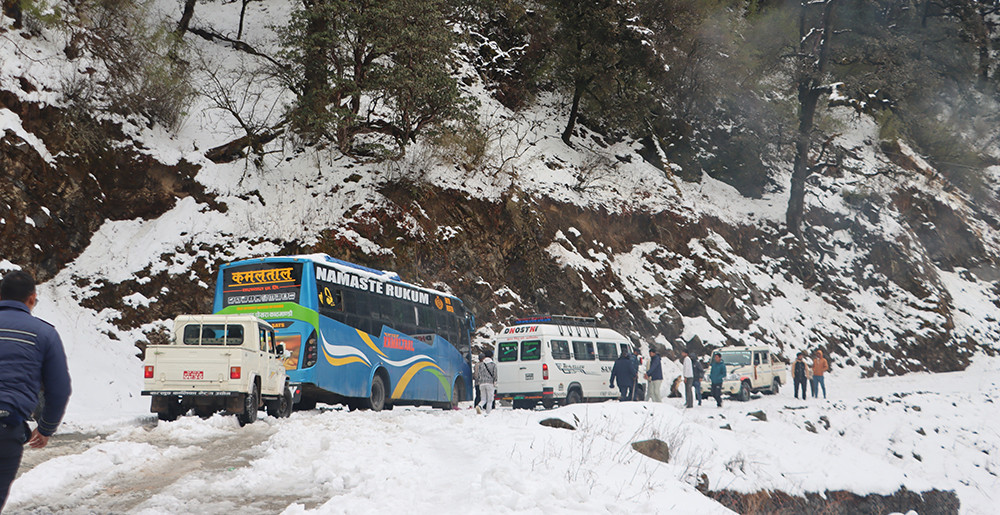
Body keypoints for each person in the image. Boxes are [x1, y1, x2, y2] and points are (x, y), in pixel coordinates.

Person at [0, 271, 72, 509]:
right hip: (6, 428)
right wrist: (46, 428)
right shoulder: (44, 333)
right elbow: (59, 389)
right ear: (32, 298)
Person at [474, 350, 497, 414]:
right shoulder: (493, 365)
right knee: (490, 400)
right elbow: (495, 375)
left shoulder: (481, 365)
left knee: (483, 399)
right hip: (490, 383)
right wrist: (495, 381)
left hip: (481, 384)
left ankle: (479, 406)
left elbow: (478, 374)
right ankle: (488, 413)